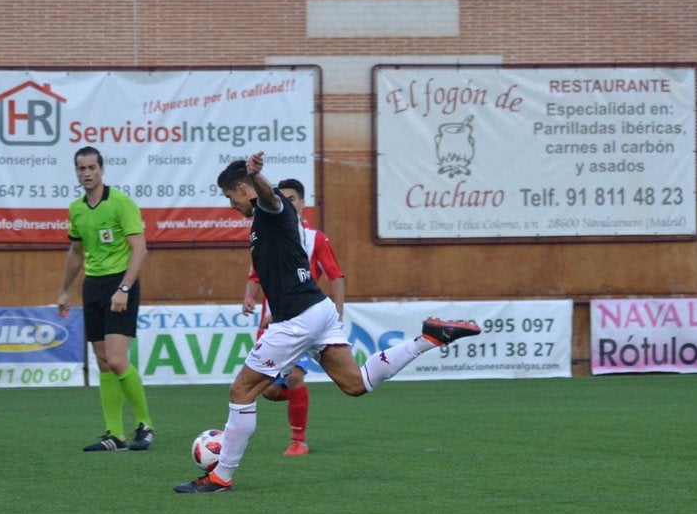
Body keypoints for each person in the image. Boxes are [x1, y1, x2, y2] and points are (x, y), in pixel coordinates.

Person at [175, 152, 480, 493]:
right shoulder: (264, 222)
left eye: (230, 196)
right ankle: (428, 339)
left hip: (298, 318)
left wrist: (257, 176)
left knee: (242, 390)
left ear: (243, 189)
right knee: (355, 383)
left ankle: (220, 477)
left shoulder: (268, 209)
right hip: (316, 310)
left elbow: (269, 197)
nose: (230, 205)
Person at [55, 146, 156, 452]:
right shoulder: (77, 209)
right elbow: (75, 253)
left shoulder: (120, 203)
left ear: (102, 170)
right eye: (81, 168)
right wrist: (64, 290)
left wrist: (124, 288)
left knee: (116, 359)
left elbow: (140, 249)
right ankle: (116, 434)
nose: (86, 173)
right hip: (93, 287)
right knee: (103, 363)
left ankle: (145, 425)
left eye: (91, 168)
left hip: (120, 284)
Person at [242, 177, 345, 456]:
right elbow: (256, 275)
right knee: (270, 391)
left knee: (295, 376)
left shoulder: (315, 238)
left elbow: (336, 276)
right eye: (282, 198)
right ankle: (300, 401)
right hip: (272, 320)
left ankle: (298, 440)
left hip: (301, 317)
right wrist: (249, 296)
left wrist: (339, 314)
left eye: (292, 199)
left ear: (302, 203)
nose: (287, 203)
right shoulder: (267, 229)